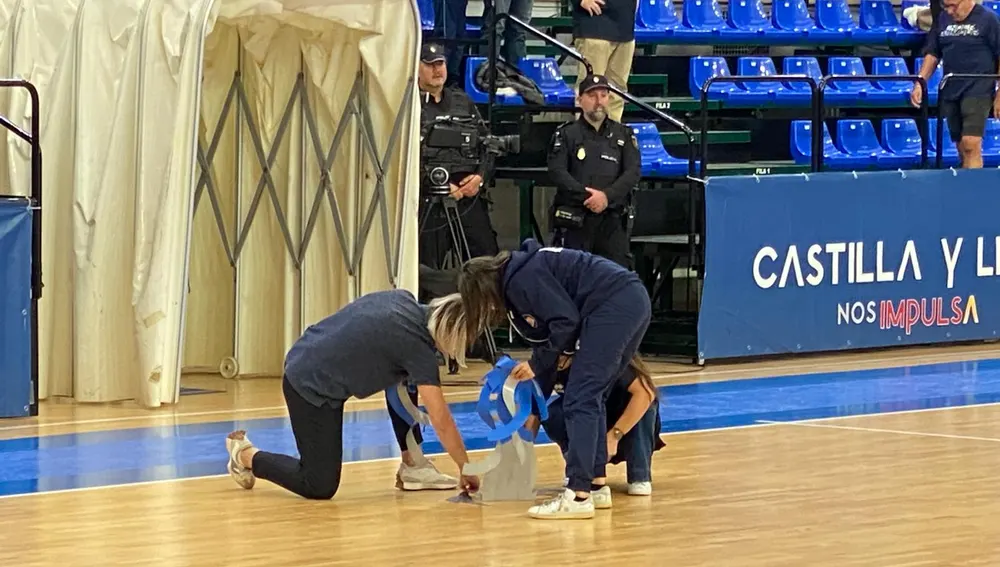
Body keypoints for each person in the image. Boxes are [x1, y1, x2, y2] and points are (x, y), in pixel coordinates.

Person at [458, 238, 652, 520]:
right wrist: (535, 406)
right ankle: (596, 485)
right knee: (592, 396)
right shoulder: (524, 271)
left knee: (580, 399)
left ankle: (578, 495)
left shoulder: (520, 280)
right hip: (630, 300)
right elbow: (553, 334)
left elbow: (566, 322)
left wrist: (537, 363)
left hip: (614, 304)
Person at [223, 290, 480, 500]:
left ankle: (413, 463)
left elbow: (399, 388)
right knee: (319, 484)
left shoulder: (403, 301)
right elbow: (441, 419)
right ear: (452, 332)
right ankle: (244, 454)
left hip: (308, 354)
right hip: (309, 385)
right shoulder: (417, 349)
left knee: (404, 380)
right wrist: (465, 469)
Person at [418, 42, 500, 270]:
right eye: (430, 65)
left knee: (487, 266)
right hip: (431, 200)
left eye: (440, 64)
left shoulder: (462, 101)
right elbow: (403, 157)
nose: (437, 70)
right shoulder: (409, 105)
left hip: (468, 195)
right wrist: (441, 186)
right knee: (427, 270)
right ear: (416, 67)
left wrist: (480, 178)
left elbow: (488, 144)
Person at [547, 74, 641, 269]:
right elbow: (557, 172)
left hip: (612, 220)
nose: (599, 101)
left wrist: (606, 197)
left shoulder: (623, 133)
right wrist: (589, 197)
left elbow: (632, 172)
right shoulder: (566, 134)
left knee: (616, 280)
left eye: (604, 95)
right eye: (592, 96)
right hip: (577, 219)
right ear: (580, 100)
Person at [542, 353, 664, 497]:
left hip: (624, 423)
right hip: (594, 418)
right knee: (554, 413)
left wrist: (615, 435)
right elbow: (535, 405)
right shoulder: (547, 361)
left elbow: (646, 393)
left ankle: (639, 474)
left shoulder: (605, 354)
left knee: (646, 408)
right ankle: (579, 469)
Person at [911, 0, 1000, 168]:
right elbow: (933, 54)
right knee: (960, 145)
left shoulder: (989, 19)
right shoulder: (943, 20)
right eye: (946, 6)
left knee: (971, 143)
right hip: (951, 89)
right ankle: (966, 184)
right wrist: (920, 82)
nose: (950, 11)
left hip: (978, 88)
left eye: (953, 5)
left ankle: (974, 188)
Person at [571, 0, 638, 121]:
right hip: (594, 25)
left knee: (617, 92)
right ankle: (586, 137)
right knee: (590, 90)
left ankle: (612, 136)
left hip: (625, 28)